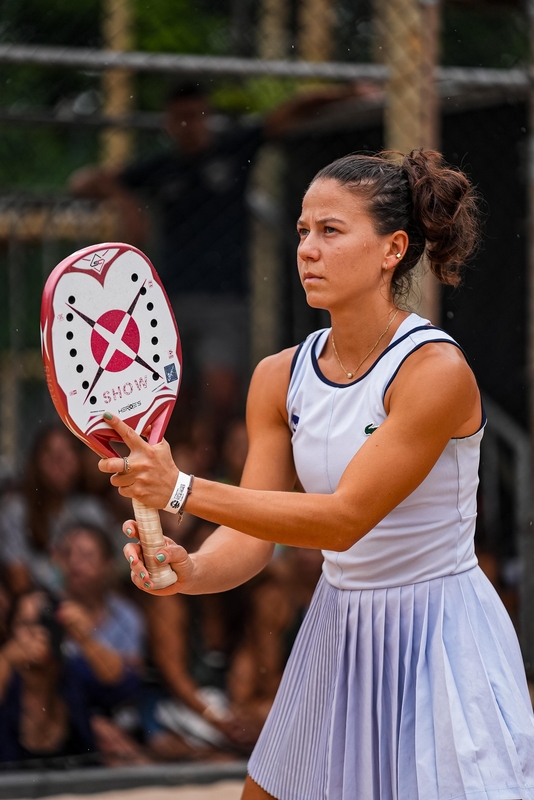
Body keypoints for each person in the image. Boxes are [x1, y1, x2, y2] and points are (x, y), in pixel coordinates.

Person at [97, 150, 534, 800]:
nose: (307, 248)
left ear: (392, 249)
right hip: (337, 628)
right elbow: (253, 533)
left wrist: (182, 489)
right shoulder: (278, 376)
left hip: (438, 634)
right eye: (303, 230)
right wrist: (192, 570)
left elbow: (344, 520)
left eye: (331, 230)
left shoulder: (435, 372)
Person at [69, 81, 372, 444]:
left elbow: (288, 112)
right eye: (180, 118)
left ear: (207, 116)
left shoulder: (233, 149)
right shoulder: (162, 167)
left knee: (221, 393)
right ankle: (174, 460)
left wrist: (348, 93)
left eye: (195, 116)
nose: (189, 125)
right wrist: (123, 200)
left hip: (226, 296)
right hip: (168, 299)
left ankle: (208, 464)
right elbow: (83, 182)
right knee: (171, 393)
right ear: (168, 123)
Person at [0, 426, 115, 596]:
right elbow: (19, 582)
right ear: (36, 461)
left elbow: (108, 573)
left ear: (79, 461)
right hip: (39, 601)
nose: (60, 462)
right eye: (52, 455)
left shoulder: (90, 510)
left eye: (68, 454)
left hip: (89, 601)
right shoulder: (16, 510)